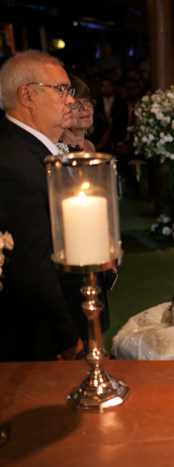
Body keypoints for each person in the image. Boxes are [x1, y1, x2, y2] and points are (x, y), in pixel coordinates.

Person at [0, 50, 83, 361]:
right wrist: (67, 338)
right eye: (61, 90)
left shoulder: (32, 149)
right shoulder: (14, 164)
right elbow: (31, 268)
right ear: (26, 95)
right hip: (39, 337)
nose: (71, 100)